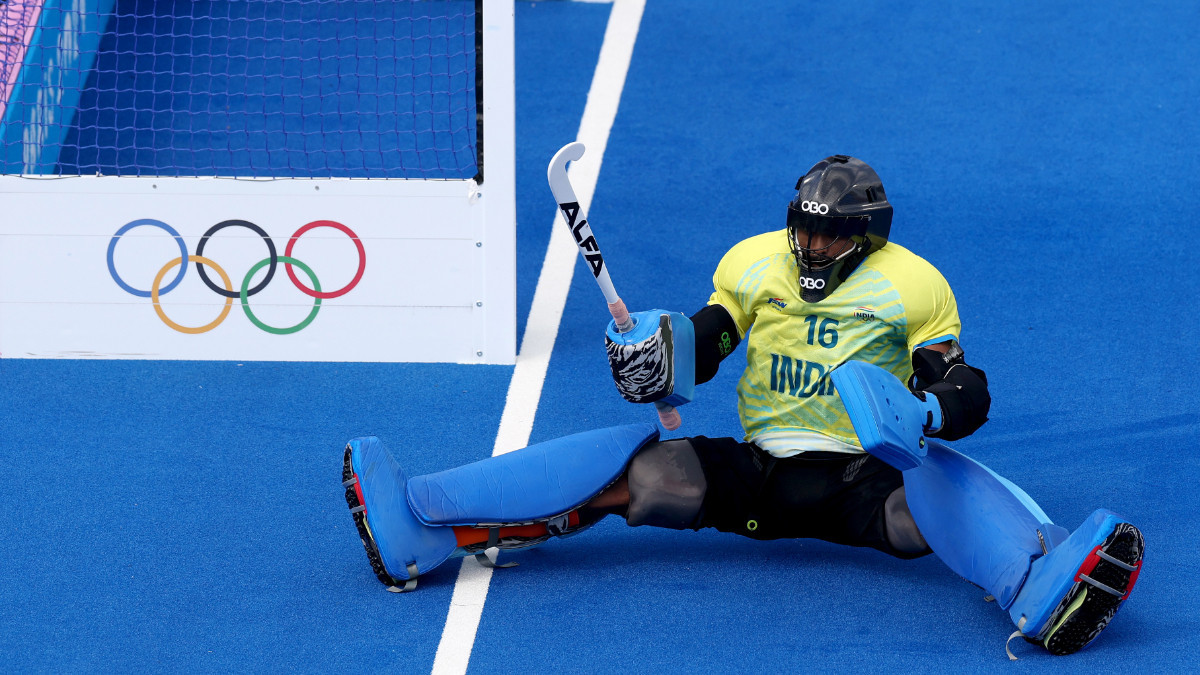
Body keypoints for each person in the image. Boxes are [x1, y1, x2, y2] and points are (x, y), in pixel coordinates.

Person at [342, 155, 1143, 659]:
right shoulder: (755, 262)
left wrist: (926, 413)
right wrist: (659, 358)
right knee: (644, 475)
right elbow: (710, 339)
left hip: (869, 480)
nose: (813, 248)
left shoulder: (915, 284)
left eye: (832, 237)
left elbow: (966, 389)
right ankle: (426, 522)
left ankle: (1038, 592)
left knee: (934, 482)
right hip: (759, 473)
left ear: (867, 234)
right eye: (805, 231)